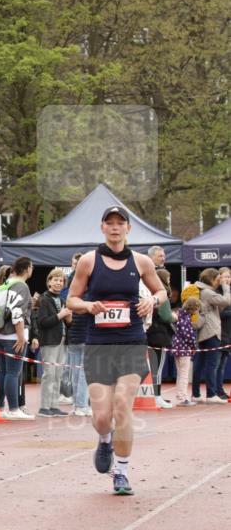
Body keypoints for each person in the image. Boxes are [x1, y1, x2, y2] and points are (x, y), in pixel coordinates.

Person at [66, 205, 168, 496]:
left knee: (123, 407)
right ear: (102, 228)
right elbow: (71, 300)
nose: (114, 227)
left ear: (128, 229)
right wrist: (87, 306)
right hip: (99, 345)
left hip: (132, 342)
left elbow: (162, 292)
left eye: (119, 223)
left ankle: (121, 472)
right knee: (101, 417)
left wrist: (153, 301)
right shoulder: (88, 261)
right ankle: (105, 440)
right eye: (109, 223)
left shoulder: (141, 262)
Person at [0, 257, 34, 420]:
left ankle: (1, 407)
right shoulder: (21, 286)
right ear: (28, 268)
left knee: (2, 371)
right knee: (13, 373)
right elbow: (17, 312)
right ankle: (14, 409)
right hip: (13, 335)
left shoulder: (5, 284)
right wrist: (21, 336)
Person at [37, 268, 72, 417]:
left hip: (62, 340)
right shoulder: (44, 299)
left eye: (61, 280)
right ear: (49, 281)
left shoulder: (62, 300)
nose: (58, 283)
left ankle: (54, 405)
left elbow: (67, 323)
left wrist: (69, 319)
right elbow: (42, 322)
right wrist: (60, 315)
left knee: (58, 374)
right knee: (49, 374)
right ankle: (44, 406)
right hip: (50, 341)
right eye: (56, 280)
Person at [192, 268, 230, 403]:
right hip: (211, 330)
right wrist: (226, 287)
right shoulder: (207, 292)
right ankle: (211, 394)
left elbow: (219, 307)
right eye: (218, 279)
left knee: (200, 364)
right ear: (212, 279)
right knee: (212, 365)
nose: (219, 282)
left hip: (204, 330)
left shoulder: (201, 290)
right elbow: (226, 301)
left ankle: (196, 394)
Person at [145, 267, 177, 408]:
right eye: (168, 278)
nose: (170, 281)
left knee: (149, 368)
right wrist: (175, 316)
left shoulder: (147, 293)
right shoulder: (162, 295)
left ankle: (152, 395)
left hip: (148, 333)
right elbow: (166, 316)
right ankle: (157, 397)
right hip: (159, 335)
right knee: (157, 368)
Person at [172, 296, 201, 406]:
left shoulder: (179, 314)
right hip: (184, 349)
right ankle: (182, 398)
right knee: (184, 374)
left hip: (177, 347)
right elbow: (188, 335)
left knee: (180, 373)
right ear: (194, 308)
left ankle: (180, 396)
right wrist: (193, 346)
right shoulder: (186, 318)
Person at [215, 267, 231, 399]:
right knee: (218, 365)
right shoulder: (216, 293)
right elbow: (218, 313)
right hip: (220, 333)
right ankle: (217, 391)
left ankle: (219, 390)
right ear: (219, 278)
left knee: (223, 365)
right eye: (225, 277)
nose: (227, 279)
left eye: (229, 277)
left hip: (228, 333)